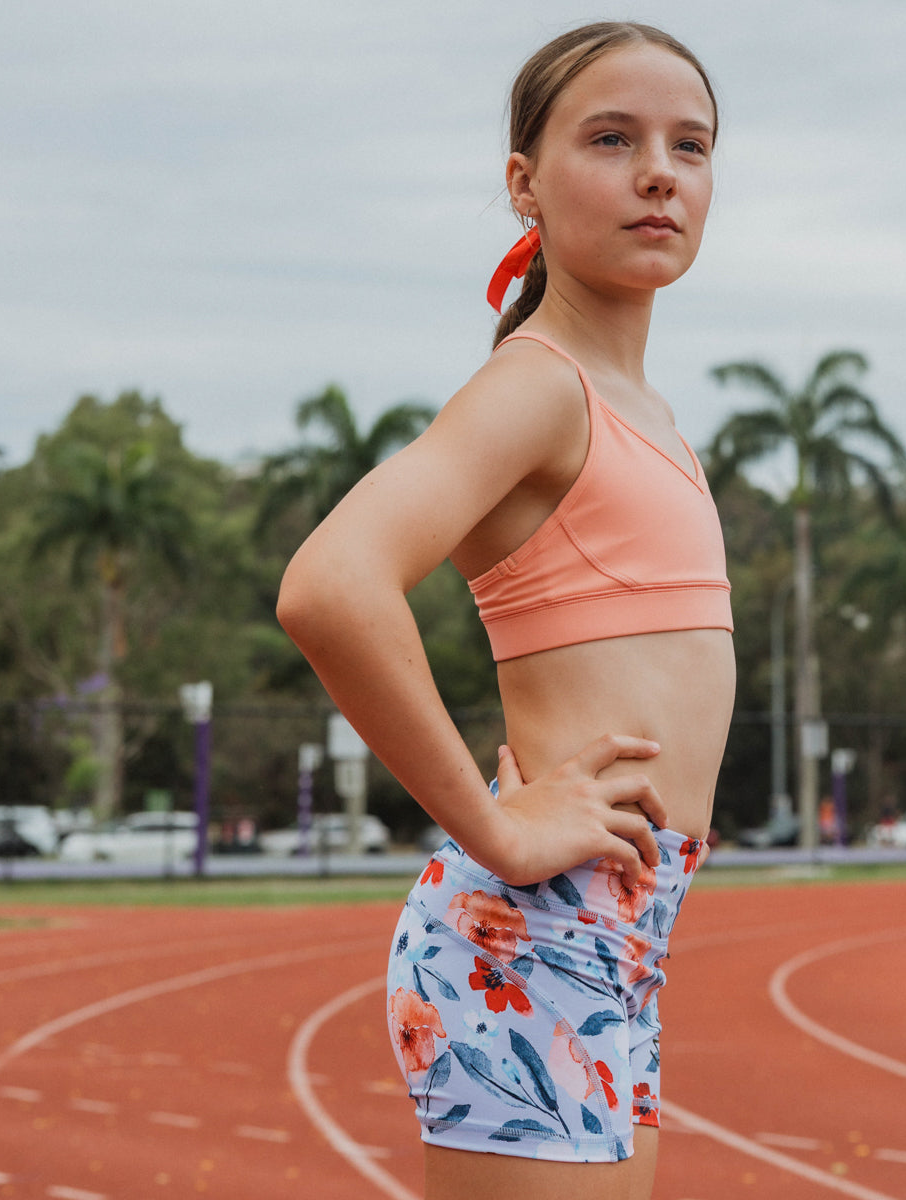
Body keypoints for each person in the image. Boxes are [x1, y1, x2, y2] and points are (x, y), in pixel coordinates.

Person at [277, 22, 732, 1200]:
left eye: (689, 145)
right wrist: (499, 829)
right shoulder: (540, 387)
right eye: (612, 139)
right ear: (524, 183)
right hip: (537, 931)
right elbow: (331, 585)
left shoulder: (645, 411)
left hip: (621, 934)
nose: (660, 173)